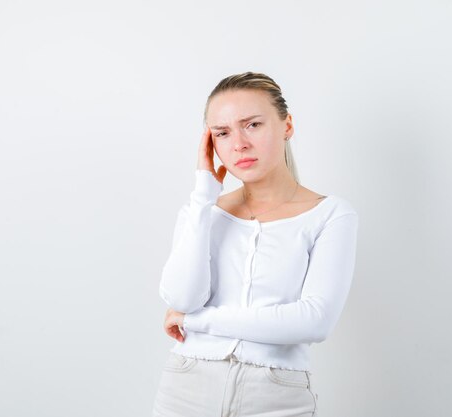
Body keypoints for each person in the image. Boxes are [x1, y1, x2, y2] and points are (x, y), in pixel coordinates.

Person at [152, 72, 359, 417]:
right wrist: (203, 196)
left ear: (287, 125)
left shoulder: (331, 215)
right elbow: (183, 299)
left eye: (252, 125)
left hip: (277, 398)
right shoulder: (202, 212)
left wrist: (198, 322)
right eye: (222, 133)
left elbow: (313, 321)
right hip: (184, 390)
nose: (239, 144)